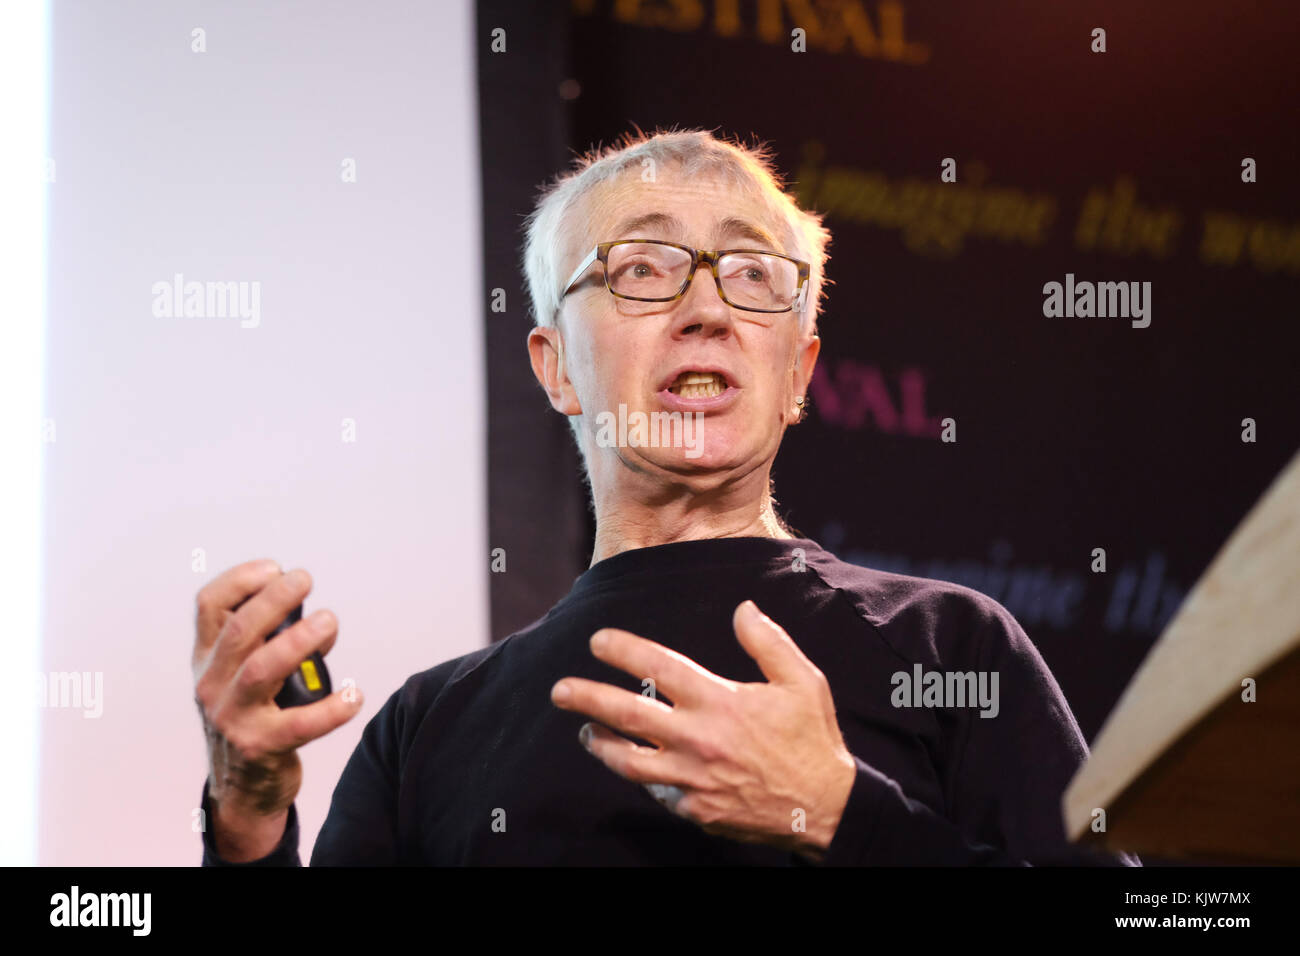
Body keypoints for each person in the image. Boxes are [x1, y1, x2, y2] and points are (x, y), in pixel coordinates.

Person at [191, 128, 1140, 866]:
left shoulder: (950, 648)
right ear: (555, 366)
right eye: (642, 268)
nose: (707, 308)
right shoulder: (426, 730)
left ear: (800, 371)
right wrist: (246, 818)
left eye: (753, 275)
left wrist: (844, 818)